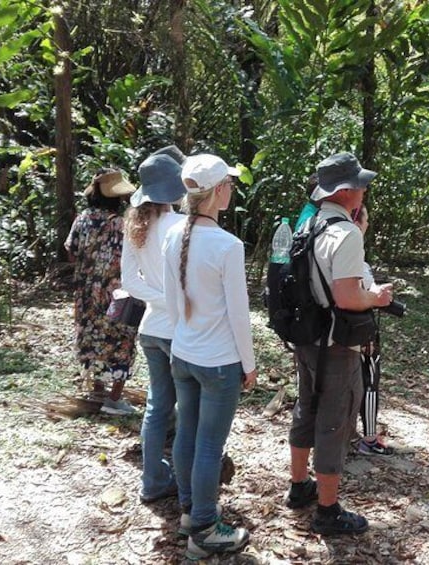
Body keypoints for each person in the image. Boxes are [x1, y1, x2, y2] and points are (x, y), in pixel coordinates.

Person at [286, 152, 393, 536]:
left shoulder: (308, 224)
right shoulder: (344, 234)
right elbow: (348, 296)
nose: (365, 190)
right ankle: (327, 511)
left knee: (306, 409)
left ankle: (299, 487)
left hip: (306, 337)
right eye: (360, 184)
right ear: (346, 192)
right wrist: (377, 297)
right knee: (334, 422)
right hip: (335, 342)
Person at [163, 153, 257, 560]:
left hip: (182, 354)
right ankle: (203, 527)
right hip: (218, 362)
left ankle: (189, 512)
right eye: (229, 185)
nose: (232, 191)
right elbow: (239, 313)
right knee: (208, 446)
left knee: (187, 435)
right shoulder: (227, 244)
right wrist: (249, 364)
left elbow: (171, 303)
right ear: (218, 191)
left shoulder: (172, 235)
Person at [121, 149, 188, 504]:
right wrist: (173, 301)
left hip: (150, 328)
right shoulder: (181, 226)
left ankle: (152, 480)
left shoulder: (135, 225)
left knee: (157, 407)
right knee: (188, 410)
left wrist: (158, 300)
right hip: (180, 331)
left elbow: (129, 281)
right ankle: (185, 481)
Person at [65, 168, 138, 415]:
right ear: (117, 197)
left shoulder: (82, 219)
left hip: (86, 294)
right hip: (117, 295)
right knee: (122, 341)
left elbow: (72, 253)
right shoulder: (122, 224)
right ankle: (114, 398)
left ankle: (97, 389)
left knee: (93, 339)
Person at [352, 204, 394, 456]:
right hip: (361, 330)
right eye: (366, 219)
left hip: (340, 331)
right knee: (369, 382)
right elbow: (365, 293)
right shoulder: (354, 256)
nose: (368, 225)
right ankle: (369, 438)